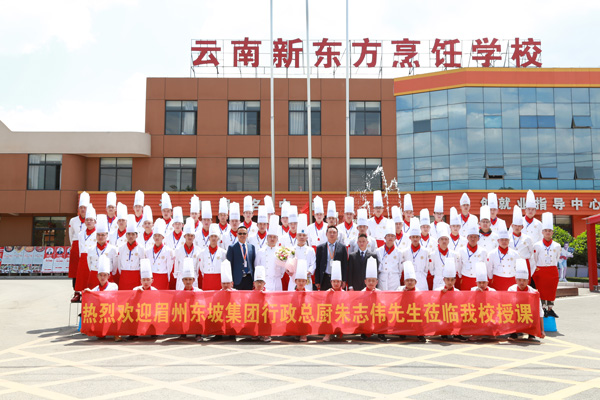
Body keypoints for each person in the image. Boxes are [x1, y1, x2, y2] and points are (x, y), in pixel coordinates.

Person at [532, 212, 561, 318]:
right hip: (541, 270)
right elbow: (535, 258)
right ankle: (543, 308)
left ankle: (550, 308)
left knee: (551, 290)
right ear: (542, 232)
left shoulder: (557, 245)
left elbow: (557, 258)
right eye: (546, 231)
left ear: (552, 232)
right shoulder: (537, 245)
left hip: (552, 270)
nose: (548, 233)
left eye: (549, 231)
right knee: (541, 290)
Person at [508, 259, 545, 341]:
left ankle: (531, 333)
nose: (522, 283)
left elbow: (540, 311)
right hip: (516, 313)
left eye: (524, 280)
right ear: (516, 280)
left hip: (528, 314)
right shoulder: (511, 289)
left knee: (533, 311)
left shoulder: (533, 292)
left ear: (528, 281)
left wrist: (542, 330)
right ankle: (513, 332)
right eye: (519, 280)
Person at [86, 215, 118, 290]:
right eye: (98, 235)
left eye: (103, 235)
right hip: (94, 275)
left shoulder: (112, 249)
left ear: (107, 235)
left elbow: (115, 265)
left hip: (107, 276)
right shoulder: (91, 249)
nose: (100, 237)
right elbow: (89, 264)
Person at [396, 261, 426, 342]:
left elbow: (422, 305)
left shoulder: (418, 292)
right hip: (403, 311)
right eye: (407, 280)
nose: (409, 282)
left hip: (414, 312)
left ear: (415, 282)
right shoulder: (400, 289)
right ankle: (402, 332)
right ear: (404, 282)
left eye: (412, 280)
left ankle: (420, 334)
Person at [360, 258, 388, 342]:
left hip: (376, 313)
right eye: (369, 281)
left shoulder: (379, 292)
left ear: (376, 282)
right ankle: (364, 332)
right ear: (365, 281)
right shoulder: (361, 292)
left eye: (373, 281)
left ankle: (381, 333)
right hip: (366, 314)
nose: (371, 283)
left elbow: (384, 305)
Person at [69, 192, 90, 302]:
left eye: (84, 207)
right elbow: (70, 235)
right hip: (76, 246)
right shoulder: (73, 220)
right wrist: (74, 246)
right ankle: (76, 292)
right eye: (81, 207)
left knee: (86, 270)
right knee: (75, 271)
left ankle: (86, 291)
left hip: (87, 248)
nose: (83, 210)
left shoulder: (91, 220)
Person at [73, 205, 98, 298]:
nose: (89, 222)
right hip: (83, 259)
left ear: (95, 222)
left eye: (91, 220)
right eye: (87, 220)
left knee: (92, 281)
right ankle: (82, 297)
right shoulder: (80, 234)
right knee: (82, 280)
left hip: (93, 258)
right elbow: (80, 247)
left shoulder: (98, 233)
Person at [488, 221, 519, 291]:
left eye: (506, 240)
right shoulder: (492, 253)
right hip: (497, 280)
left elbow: (517, 268)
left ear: (509, 241)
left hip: (511, 280)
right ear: (498, 241)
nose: (504, 242)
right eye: (502, 240)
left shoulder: (515, 254)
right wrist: (491, 279)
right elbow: (489, 269)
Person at [256, 215, 285, 291]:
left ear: (277, 239)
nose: (272, 239)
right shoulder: (261, 251)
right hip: (265, 281)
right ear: (267, 238)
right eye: (270, 237)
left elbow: (283, 268)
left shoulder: (281, 252)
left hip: (277, 281)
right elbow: (257, 266)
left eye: (274, 237)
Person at [288, 214, 317, 291]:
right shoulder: (291, 249)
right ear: (296, 236)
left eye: (304, 235)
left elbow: (313, 264)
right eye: (300, 235)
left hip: (306, 280)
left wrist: (306, 273)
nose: (301, 237)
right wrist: (288, 270)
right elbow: (288, 263)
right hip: (293, 279)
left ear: (307, 237)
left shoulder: (310, 250)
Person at [457, 223, 488, 291]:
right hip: (465, 279)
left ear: (478, 238)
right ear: (467, 237)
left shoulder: (483, 251)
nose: (473, 239)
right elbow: (459, 266)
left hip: (478, 280)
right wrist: (461, 276)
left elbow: (486, 267)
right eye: (471, 236)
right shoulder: (461, 250)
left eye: (475, 237)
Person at [315, 226, 348, 291]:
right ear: (326, 234)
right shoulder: (320, 248)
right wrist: (317, 280)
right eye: (330, 232)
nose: (332, 234)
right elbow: (317, 265)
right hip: (325, 277)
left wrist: (344, 280)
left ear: (337, 234)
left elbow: (345, 265)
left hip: (337, 279)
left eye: (334, 232)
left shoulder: (342, 247)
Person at [144, 219, 174, 290]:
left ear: (163, 237)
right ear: (153, 237)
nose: (157, 237)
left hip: (163, 277)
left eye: (159, 235)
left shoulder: (168, 251)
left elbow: (169, 267)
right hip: (151, 278)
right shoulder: (148, 251)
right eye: (155, 235)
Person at [117, 215, 145, 290]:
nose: (131, 236)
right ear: (126, 235)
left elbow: (142, 264)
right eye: (129, 234)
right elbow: (119, 263)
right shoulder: (121, 248)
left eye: (133, 234)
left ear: (137, 235)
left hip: (136, 275)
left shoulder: (141, 248)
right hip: (124, 276)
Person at [401, 218, 429, 291]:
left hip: (421, 280)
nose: (415, 239)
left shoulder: (425, 251)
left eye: (417, 237)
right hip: (409, 281)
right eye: (413, 237)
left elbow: (426, 268)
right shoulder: (405, 252)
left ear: (420, 237)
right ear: (410, 238)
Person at [428, 225, 459, 291]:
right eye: (442, 239)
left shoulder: (454, 254)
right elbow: (431, 270)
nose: (444, 241)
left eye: (446, 239)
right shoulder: (432, 254)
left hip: (449, 283)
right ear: (438, 241)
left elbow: (456, 268)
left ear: (448, 241)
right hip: (437, 282)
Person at [509, 205, 535, 283]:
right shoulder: (507, 238)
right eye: (515, 226)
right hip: (511, 263)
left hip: (524, 263)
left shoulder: (527, 238)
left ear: (522, 227)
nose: (517, 228)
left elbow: (532, 253)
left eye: (519, 226)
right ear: (512, 226)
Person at [199, 224, 228, 290]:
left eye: (215, 236)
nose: (213, 238)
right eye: (212, 236)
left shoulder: (223, 252)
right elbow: (201, 267)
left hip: (219, 279)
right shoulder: (202, 252)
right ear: (209, 238)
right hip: (207, 279)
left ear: (218, 238)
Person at [173, 221, 201, 290]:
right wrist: (177, 275)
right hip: (181, 277)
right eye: (188, 235)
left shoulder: (198, 250)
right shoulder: (178, 250)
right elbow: (176, 264)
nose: (190, 237)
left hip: (193, 277)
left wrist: (196, 274)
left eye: (192, 235)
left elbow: (198, 265)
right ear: (184, 236)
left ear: (194, 237)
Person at [227, 225, 256, 290]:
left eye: (244, 233)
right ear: (237, 234)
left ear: (247, 235)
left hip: (249, 279)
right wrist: (230, 280)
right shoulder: (232, 248)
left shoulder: (252, 247)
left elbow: (253, 263)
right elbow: (229, 265)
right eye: (240, 233)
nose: (242, 235)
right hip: (237, 279)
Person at [377, 220, 403, 291]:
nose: (390, 238)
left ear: (395, 238)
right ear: (385, 238)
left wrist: (397, 277)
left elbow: (400, 269)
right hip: (382, 278)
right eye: (388, 236)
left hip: (394, 279)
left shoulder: (399, 252)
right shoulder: (378, 251)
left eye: (392, 236)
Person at [323, 261, 344, 342]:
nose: (336, 283)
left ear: (341, 282)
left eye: (338, 281)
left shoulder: (344, 293)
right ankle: (327, 334)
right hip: (330, 313)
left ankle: (339, 331)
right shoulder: (327, 292)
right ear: (331, 282)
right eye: (334, 281)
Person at [252, 265, 271, 342]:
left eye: (261, 282)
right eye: (257, 282)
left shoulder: (268, 293)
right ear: (254, 283)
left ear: (264, 283)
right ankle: (254, 333)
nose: (259, 284)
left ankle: (265, 334)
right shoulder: (250, 294)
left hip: (264, 314)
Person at [293, 259, 310, 342]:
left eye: (303, 281)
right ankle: (296, 332)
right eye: (299, 281)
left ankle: (303, 334)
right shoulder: (291, 293)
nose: (301, 283)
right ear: (295, 281)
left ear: (306, 282)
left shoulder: (309, 293)